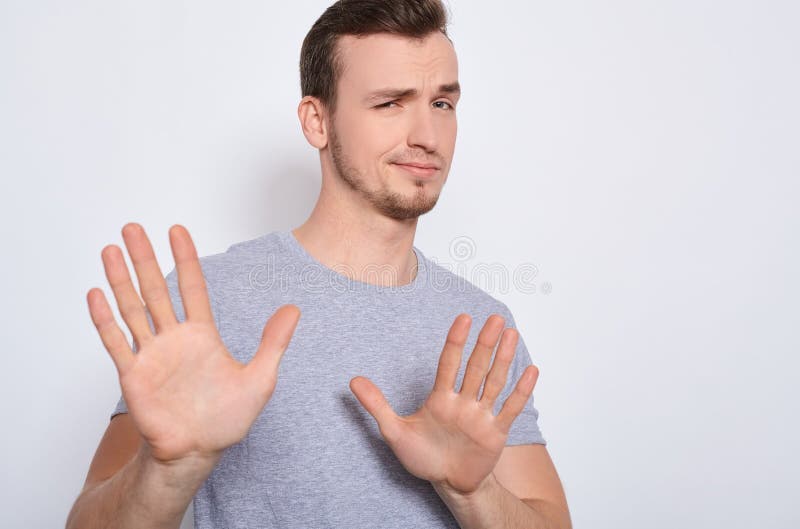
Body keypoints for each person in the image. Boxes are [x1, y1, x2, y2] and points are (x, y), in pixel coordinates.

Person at [66, 1, 571, 528]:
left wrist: (470, 491)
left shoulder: (483, 326)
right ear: (316, 120)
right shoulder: (209, 303)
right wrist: (169, 470)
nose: (427, 134)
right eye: (391, 104)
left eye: (442, 102)